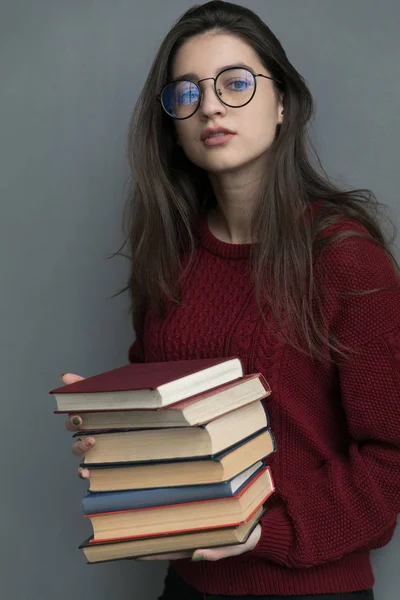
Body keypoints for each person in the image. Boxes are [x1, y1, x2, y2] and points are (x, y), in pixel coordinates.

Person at [62, 1, 400, 598]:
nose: (211, 105)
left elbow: (391, 460)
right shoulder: (173, 253)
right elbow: (168, 409)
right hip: (188, 582)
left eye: (235, 84)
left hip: (310, 588)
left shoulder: (344, 259)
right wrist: (116, 436)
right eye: (187, 93)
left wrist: (265, 530)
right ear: (172, 121)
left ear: (282, 104)